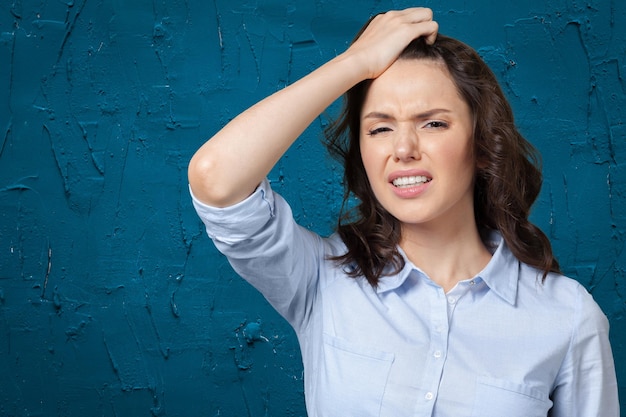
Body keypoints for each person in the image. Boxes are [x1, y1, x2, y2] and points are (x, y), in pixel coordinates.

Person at [188, 7, 619, 417]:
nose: (403, 149)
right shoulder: (322, 279)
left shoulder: (568, 316)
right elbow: (216, 180)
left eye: (433, 123)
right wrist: (354, 63)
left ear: (484, 145)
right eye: (380, 128)